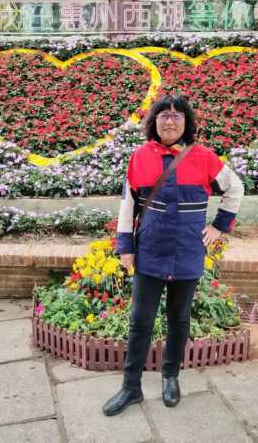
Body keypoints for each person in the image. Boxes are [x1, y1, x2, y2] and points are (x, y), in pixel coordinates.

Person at [102, 94, 244, 416]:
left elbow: (236, 188)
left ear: (186, 122)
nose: (170, 120)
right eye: (163, 115)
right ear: (154, 122)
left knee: (178, 320)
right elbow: (128, 205)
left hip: (187, 252)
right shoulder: (139, 157)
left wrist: (220, 226)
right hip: (150, 250)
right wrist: (125, 248)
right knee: (140, 321)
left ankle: (170, 378)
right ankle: (131, 387)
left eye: (177, 115)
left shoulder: (204, 157)